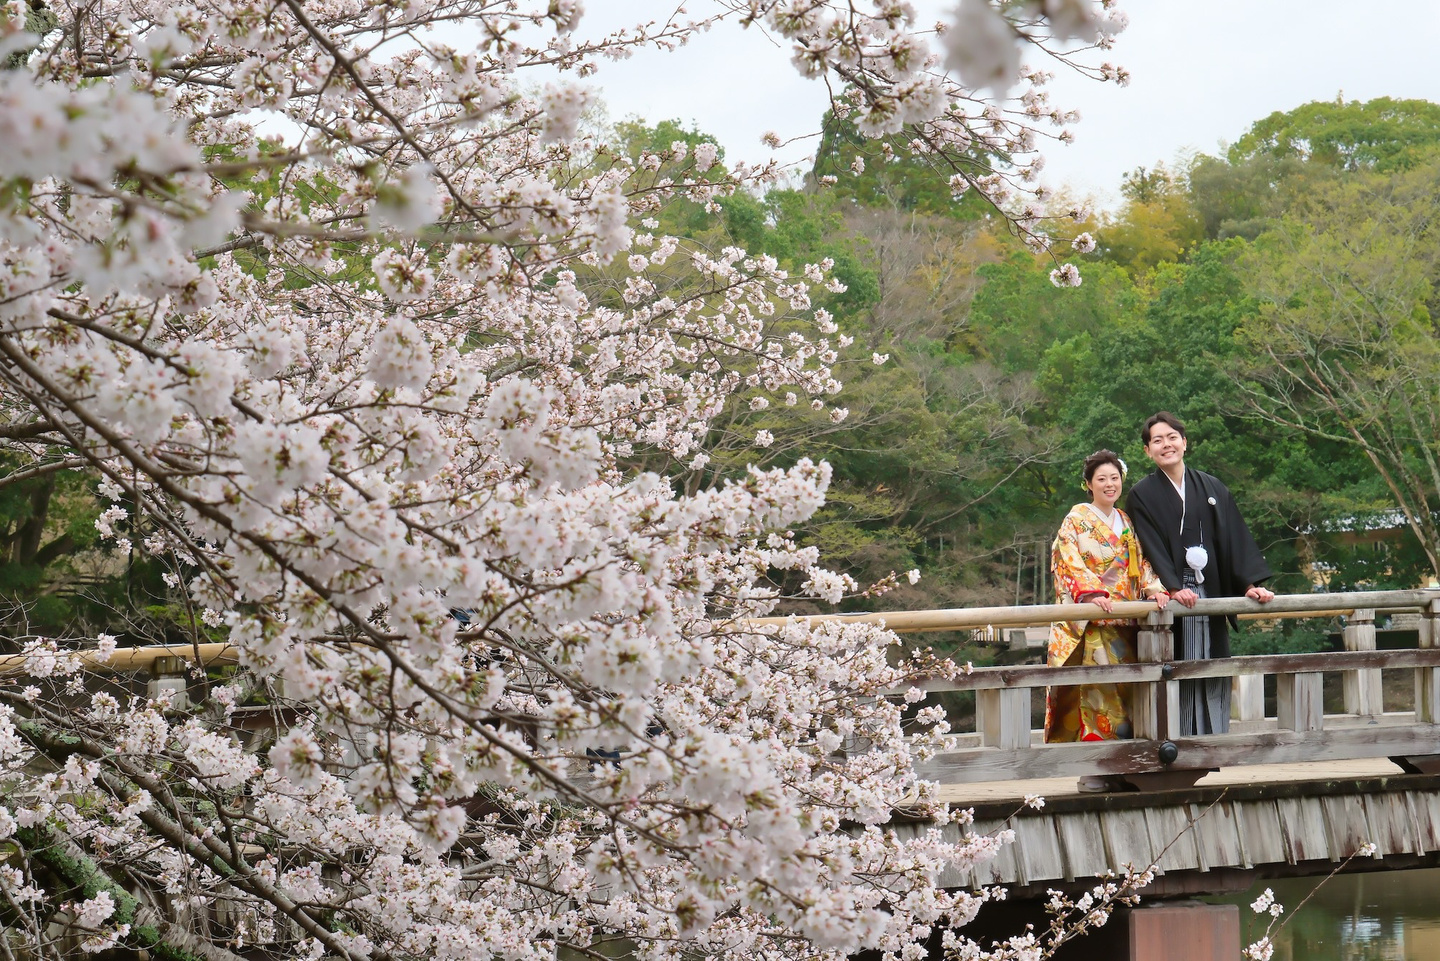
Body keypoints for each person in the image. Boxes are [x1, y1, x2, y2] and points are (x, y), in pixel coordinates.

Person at [1125, 412, 1274, 736]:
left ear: (1185, 442)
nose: (1166, 445)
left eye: (1172, 437)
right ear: (1147, 451)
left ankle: (1212, 740)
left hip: (1212, 590)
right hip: (1173, 597)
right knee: (1174, 668)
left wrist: (1248, 584)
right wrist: (1174, 586)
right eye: (1157, 440)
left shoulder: (1212, 487)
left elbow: (1233, 538)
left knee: (1212, 665)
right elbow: (1148, 546)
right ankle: (1173, 739)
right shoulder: (1141, 495)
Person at [1045, 449, 1170, 792]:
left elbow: (1141, 563)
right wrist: (1089, 592)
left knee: (1127, 694)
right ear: (1088, 484)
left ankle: (1122, 766)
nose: (1109, 484)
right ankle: (1094, 768)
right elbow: (1067, 559)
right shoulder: (1075, 521)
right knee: (1097, 694)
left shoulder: (1126, 522)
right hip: (1096, 620)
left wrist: (1154, 588)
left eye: (1114, 477)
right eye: (1101, 478)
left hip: (1126, 621)